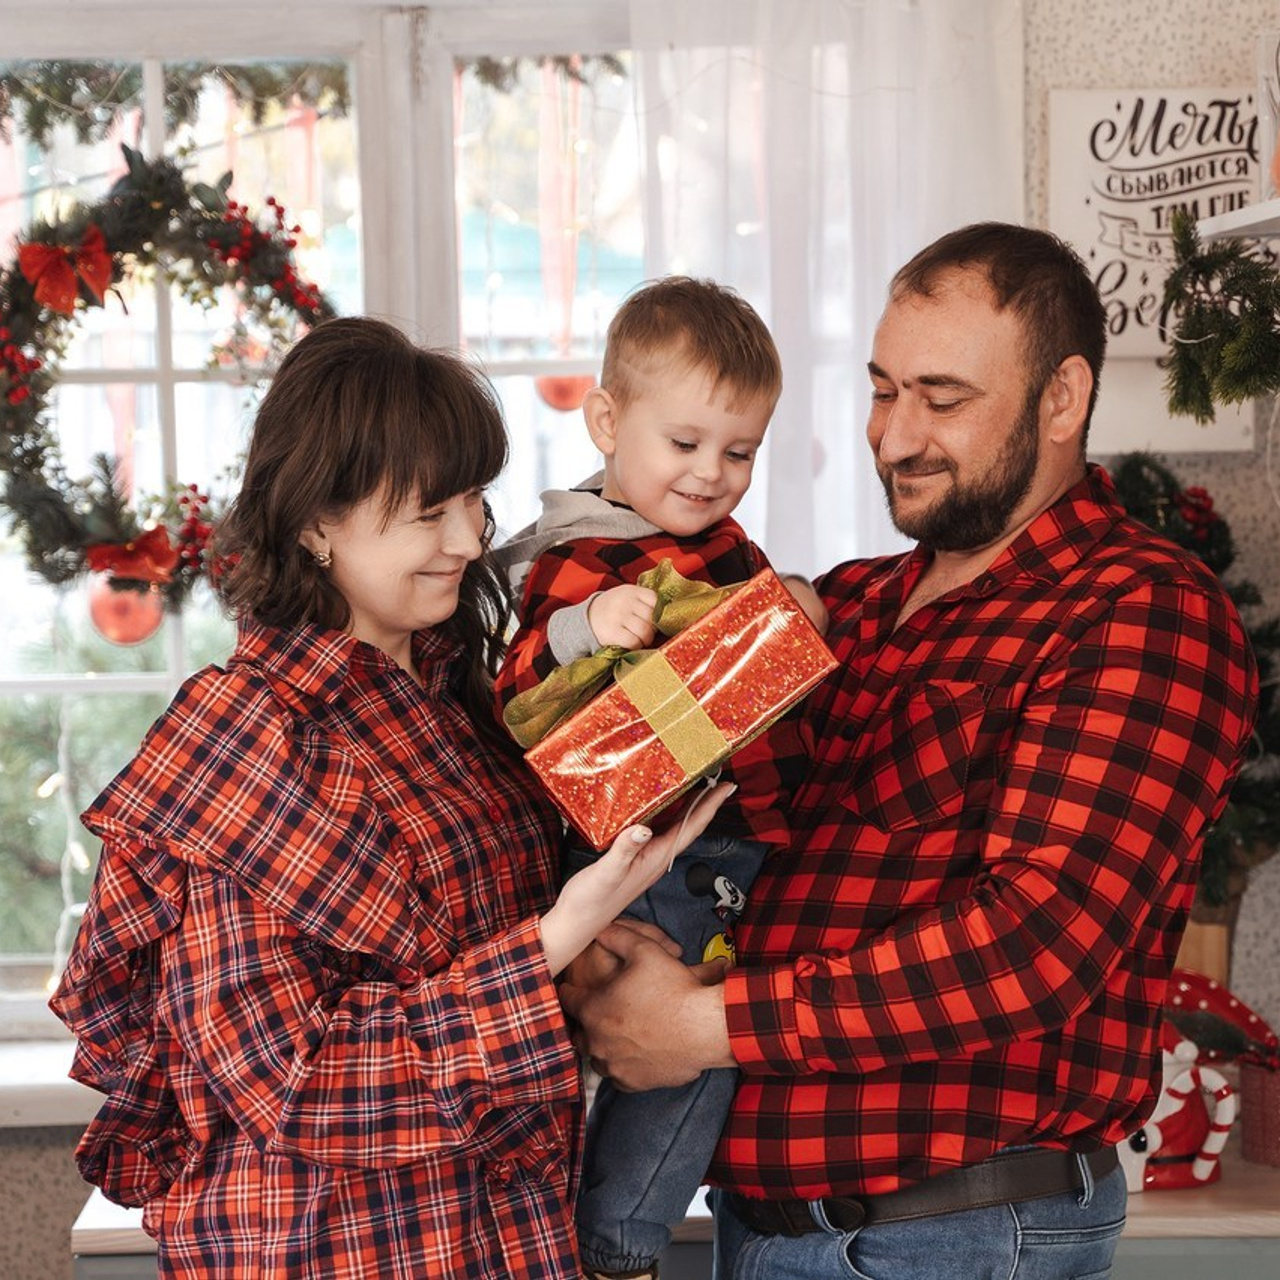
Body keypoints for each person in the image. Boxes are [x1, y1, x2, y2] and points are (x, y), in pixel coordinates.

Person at [561, 224, 1260, 1280]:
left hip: (948, 1229)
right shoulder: (849, 603)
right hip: (772, 1228)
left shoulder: (1138, 608)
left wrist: (702, 1026)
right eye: (881, 389)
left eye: (940, 399)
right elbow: (603, 775)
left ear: (1060, 399)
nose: (892, 436)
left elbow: (1034, 939)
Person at [48, 316, 731, 1280]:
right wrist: (551, 944)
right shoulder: (247, 735)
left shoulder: (455, 701)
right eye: (425, 512)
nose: (466, 539)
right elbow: (296, 1083)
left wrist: (607, 943)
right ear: (314, 520)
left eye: (472, 501)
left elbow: (462, 956)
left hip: (504, 1238)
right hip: (337, 1250)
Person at [494, 276, 823, 1280]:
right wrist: (584, 627)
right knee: (680, 1046)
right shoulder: (582, 550)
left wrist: (794, 611)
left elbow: (759, 670)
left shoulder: (715, 546)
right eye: (683, 444)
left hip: (735, 835)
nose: (710, 472)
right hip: (651, 851)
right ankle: (615, 1243)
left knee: (711, 1042)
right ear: (604, 418)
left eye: (738, 450)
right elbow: (520, 683)